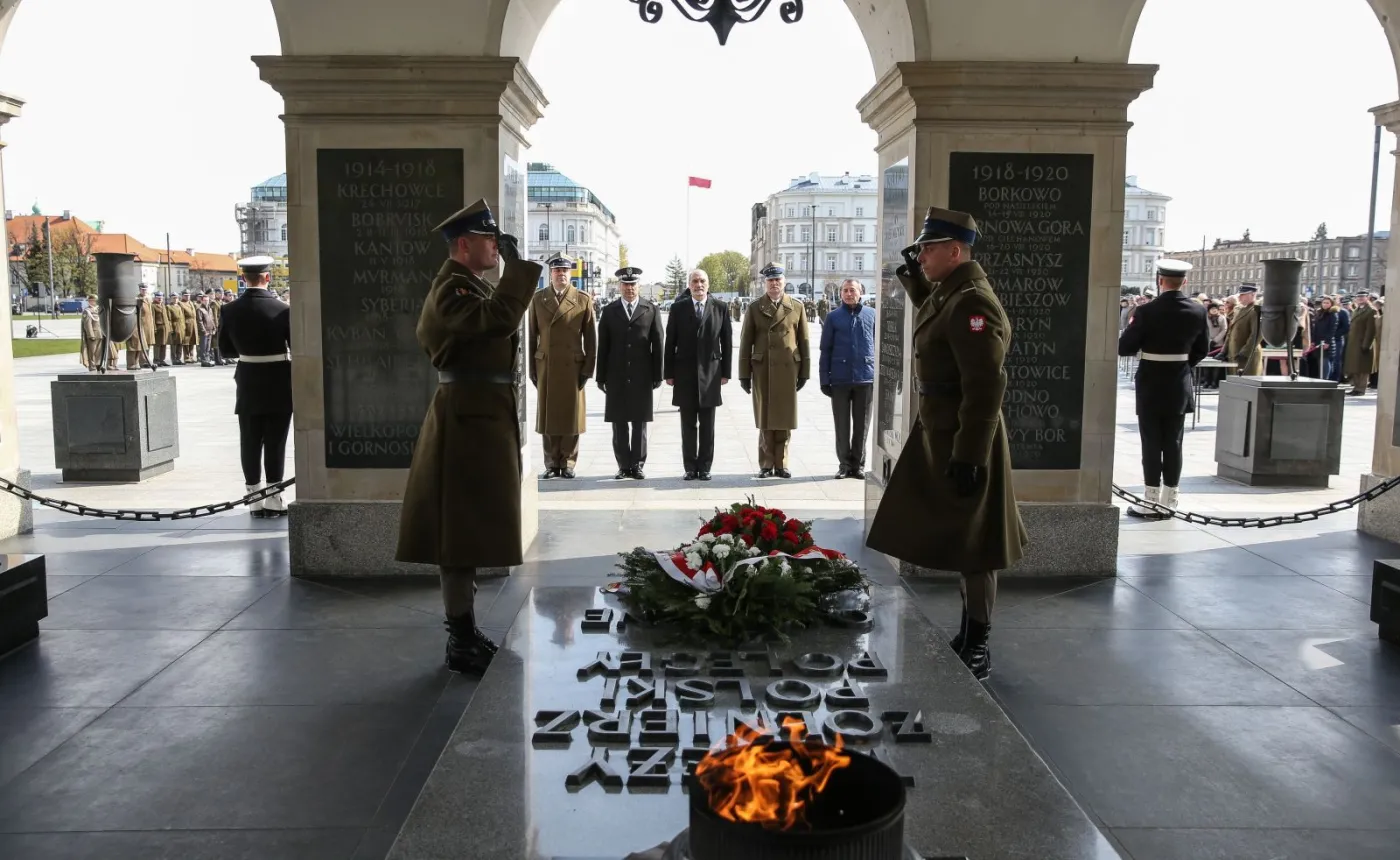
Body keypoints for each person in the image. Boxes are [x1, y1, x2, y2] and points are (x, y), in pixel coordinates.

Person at [866, 207, 1027, 681]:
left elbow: (984, 386)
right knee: (960, 538)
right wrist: (914, 278)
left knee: (975, 545)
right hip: (943, 431)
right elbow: (937, 318)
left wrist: (970, 455)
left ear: (954, 251)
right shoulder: (953, 293)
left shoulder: (973, 303)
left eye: (928, 249)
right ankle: (967, 630)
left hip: (963, 437)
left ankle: (978, 642)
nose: (922, 255)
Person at [395, 199, 536, 676]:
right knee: (457, 533)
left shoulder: (466, 284)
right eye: (488, 239)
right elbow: (497, 320)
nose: (496, 245)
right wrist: (518, 272)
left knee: (469, 528)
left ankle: (465, 628)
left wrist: (510, 273)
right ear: (463, 244)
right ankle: (459, 636)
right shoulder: (451, 289)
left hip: (477, 417)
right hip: (465, 423)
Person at [1117, 260, 1210, 518]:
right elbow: (1201, 349)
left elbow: (1124, 347)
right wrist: (1181, 365)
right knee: (1174, 441)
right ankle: (1171, 499)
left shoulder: (1147, 311)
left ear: (1160, 280)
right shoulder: (1197, 310)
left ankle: (1150, 499)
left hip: (1151, 382)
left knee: (1151, 441)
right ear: (1185, 282)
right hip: (1179, 382)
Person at [217, 256, 293, 519]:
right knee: (276, 441)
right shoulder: (283, 309)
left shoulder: (229, 310)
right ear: (267, 277)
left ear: (243, 279)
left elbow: (225, 349)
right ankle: (274, 498)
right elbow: (295, 346)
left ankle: (253, 499)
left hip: (248, 379)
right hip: (278, 381)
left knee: (249, 441)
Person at [528, 254, 596, 480]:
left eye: (565, 271)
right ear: (551, 274)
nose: (561, 274)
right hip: (546, 364)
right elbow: (531, 336)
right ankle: (550, 462)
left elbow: (591, 338)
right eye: (557, 271)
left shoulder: (583, 299)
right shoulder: (538, 299)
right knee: (548, 416)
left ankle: (567, 462)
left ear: (571, 273)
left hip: (572, 366)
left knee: (571, 417)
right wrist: (532, 368)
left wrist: (588, 369)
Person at [738, 263, 810, 479]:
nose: (774, 284)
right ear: (764, 284)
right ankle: (766, 463)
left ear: (784, 282)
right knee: (766, 419)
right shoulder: (754, 308)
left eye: (777, 280)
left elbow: (804, 341)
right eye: (770, 281)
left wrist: (805, 370)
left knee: (785, 419)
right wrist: (743, 373)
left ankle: (782, 463)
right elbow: (745, 342)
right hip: (763, 370)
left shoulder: (796, 307)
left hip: (788, 369)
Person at [596, 266, 663, 479]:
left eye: (633, 284)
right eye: (625, 284)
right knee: (619, 422)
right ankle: (623, 465)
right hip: (616, 375)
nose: (629, 288)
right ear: (619, 286)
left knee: (639, 422)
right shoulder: (609, 311)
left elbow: (658, 343)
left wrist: (657, 374)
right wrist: (601, 376)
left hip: (642, 375)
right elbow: (603, 346)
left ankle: (638, 464)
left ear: (639, 286)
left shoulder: (650, 309)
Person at [664, 269, 731, 481]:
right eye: (694, 281)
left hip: (711, 375)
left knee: (708, 425)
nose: (698, 284)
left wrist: (726, 372)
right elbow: (670, 342)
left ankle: (705, 467)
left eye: (702, 281)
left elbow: (727, 343)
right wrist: (669, 373)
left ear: (708, 284)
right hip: (684, 375)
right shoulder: (678, 308)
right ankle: (690, 467)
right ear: (689, 285)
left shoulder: (720, 308)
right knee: (688, 425)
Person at [819, 278, 876, 479]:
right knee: (842, 424)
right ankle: (843, 464)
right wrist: (824, 379)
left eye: (853, 290)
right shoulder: (833, 317)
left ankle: (858, 464)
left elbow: (879, 346)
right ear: (841, 293)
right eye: (845, 290)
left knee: (862, 425)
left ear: (861, 292)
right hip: (840, 379)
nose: (849, 294)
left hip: (865, 378)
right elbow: (825, 350)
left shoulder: (872, 315)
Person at [1344, 291, 1379, 395]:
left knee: (1362, 368)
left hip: (1363, 343)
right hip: (1354, 343)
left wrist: (1366, 344)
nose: (1360, 299)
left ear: (1367, 297)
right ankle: (1356, 387)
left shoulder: (1371, 310)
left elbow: (1371, 330)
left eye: (1362, 297)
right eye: (1358, 297)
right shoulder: (1357, 309)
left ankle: (1361, 389)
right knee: (1355, 367)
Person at [1227, 283, 1262, 375]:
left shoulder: (1256, 310)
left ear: (1253, 294)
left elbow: (1257, 334)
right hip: (1235, 354)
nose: (1239, 298)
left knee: (1246, 384)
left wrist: (1245, 351)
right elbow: (1231, 332)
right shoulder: (1240, 309)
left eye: (1243, 295)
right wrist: (1224, 350)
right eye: (1240, 295)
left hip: (1248, 356)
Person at [124, 283, 155, 370]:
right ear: (139, 290)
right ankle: (142, 361)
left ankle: (145, 360)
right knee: (138, 344)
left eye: (145, 289)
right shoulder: (137, 299)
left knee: (146, 344)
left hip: (148, 325)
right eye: (142, 289)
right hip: (140, 325)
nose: (144, 291)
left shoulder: (148, 299)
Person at [79, 294, 103, 371]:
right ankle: (92, 366)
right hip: (93, 334)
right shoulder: (87, 311)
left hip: (100, 333)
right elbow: (87, 324)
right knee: (92, 351)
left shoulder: (98, 310)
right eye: (94, 300)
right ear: (90, 301)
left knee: (99, 351)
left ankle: (98, 364)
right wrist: (90, 335)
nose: (95, 302)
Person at [165, 289, 187, 366]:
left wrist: (184, 327)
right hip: (174, 327)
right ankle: (174, 359)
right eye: (174, 298)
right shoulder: (169, 307)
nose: (175, 299)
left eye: (177, 298)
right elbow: (169, 319)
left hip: (181, 327)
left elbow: (182, 317)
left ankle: (178, 358)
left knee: (180, 343)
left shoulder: (179, 306)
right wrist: (171, 329)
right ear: (171, 298)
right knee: (174, 344)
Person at [151, 291, 171, 367]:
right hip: (158, 327)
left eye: (161, 297)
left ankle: (162, 360)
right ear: (155, 297)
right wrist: (154, 328)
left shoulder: (163, 305)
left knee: (164, 344)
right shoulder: (153, 306)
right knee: (157, 345)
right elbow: (152, 318)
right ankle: (156, 360)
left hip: (165, 328)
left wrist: (169, 327)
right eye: (158, 297)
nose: (160, 299)